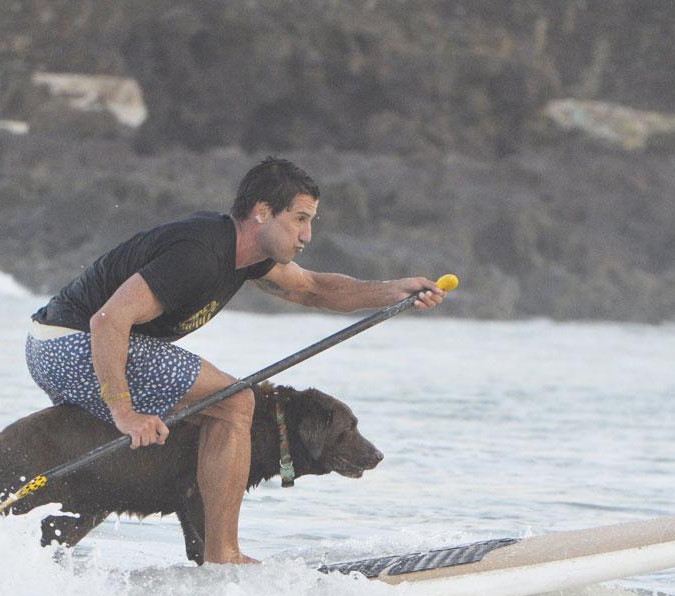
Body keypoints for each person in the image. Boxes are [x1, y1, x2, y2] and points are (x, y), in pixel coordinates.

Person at [25, 157, 447, 564]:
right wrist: (125, 412)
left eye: (311, 221)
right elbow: (108, 320)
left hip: (68, 346)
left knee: (208, 421)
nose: (307, 235)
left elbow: (316, 288)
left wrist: (395, 290)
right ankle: (222, 556)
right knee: (235, 402)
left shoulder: (249, 259)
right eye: (299, 218)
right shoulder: (200, 253)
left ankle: (46, 550)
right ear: (262, 212)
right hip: (69, 345)